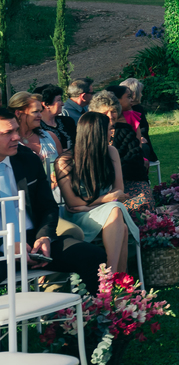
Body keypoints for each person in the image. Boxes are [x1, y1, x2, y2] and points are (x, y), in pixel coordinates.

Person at [0, 107, 106, 295]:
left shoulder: (27, 160)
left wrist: (44, 237)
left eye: (16, 130)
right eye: (8, 133)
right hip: (2, 249)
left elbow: (48, 206)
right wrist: (6, 245)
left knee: (93, 256)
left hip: (34, 241)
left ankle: (98, 316)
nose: (17, 137)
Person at [55, 112, 138, 274]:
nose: (112, 133)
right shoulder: (65, 161)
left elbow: (119, 190)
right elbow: (72, 203)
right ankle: (114, 280)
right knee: (116, 212)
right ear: (96, 133)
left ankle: (109, 280)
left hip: (98, 210)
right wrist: (107, 198)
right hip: (78, 217)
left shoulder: (111, 152)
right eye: (108, 129)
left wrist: (89, 204)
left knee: (116, 212)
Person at [87, 91, 152, 214]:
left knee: (142, 203)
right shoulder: (89, 133)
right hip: (97, 187)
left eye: (113, 111)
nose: (110, 116)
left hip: (127, 180)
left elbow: (135, 160)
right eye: (105, 112)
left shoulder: (125, 130)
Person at [9, 91, 59, 170]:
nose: (40, 115)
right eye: (35, 112)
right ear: (18, 113)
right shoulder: (7, 142)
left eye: (40, 111)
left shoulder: (50, 137)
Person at [119, 77, 158, 164]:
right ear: (133, 94)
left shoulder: (138, 109)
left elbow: (143, 129)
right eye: (140, 92)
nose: (141, 95)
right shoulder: (120, 111)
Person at [37, 85, 76, 152]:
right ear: (46, 104)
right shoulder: (38, 127)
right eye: (59, 100)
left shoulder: (67, 121)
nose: (62, 104)